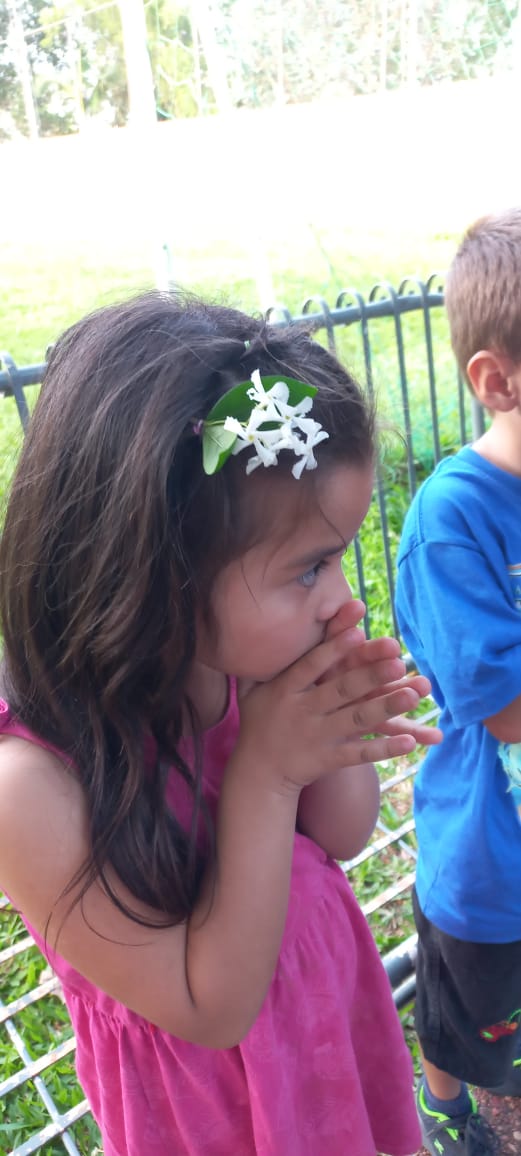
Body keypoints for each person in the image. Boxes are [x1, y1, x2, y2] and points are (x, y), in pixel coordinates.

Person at [0, 292, 437, 1156]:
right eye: (310, 568)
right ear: (155, 571)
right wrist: (265, 773)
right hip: (219, 1114)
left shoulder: (236, 660)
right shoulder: (31, 790)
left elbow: (342, 836)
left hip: (323, 1036)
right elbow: (211, 1009)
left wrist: (332, 723)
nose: (342, 600)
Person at [395, 208, 521, 1156]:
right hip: (487, 856)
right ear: (497, 380)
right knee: (463, 1011)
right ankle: (440, 1106)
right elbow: (504, 710)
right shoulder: (453, 519)